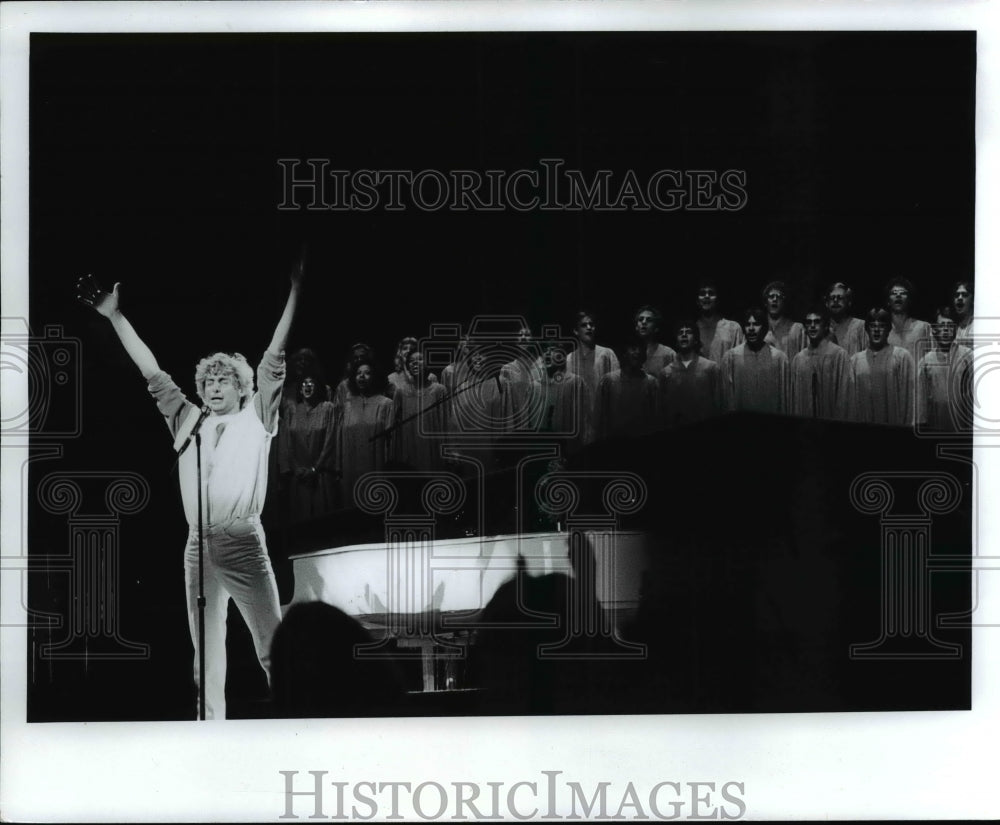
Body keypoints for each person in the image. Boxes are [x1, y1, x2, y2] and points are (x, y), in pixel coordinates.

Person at [75, 252, 304, 721]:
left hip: (242, 542)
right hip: (197, 546)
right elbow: (152, 373)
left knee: (272, 646)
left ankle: (295, 723)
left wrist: (296, 290)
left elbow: (274, 360)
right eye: (209, 380)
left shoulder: (257, 418)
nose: (215, 385)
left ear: (242, 388)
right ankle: (209, 733)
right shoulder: (189, 421)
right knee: (207, 658)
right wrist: (115, 317)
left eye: (225, 380)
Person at [278, 370, 338, 523]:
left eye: (311, 383)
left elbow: (330, 440)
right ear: (299, 389)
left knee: (322, 521)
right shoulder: (292, 410)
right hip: (299, 477)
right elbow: (287, 443)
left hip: (320, 475)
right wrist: (296, 468)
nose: (308, 386)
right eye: (304, 384)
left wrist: (316, 468)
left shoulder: (328, 408)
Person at [337, 355, 393, 508]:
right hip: (351, 467)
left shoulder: (386, 404)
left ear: (375, 377)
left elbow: (391, 442)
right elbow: (339, 440)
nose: (361, 376)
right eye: (358, 373)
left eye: (367, 373)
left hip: (375, 467)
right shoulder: (346, 405)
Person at [847, 308, 914, 426]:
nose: (876, 330)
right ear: (867, 329)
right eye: (872, 326)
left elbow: (909, 398)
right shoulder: (855, 361)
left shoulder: (901, 357)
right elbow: (851, 402)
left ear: (888, 329)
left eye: (882, 326)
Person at [719, 307, 790, 414]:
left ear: (764, 328)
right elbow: (727, 400)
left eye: (756, 324)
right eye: (748, 325)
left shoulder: (779, 359)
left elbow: (784, 400)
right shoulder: (731, 358)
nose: (751, 328)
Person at [790, 306, 853, 420]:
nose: (812, 326)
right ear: (804, 328)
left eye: (817, 322)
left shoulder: (839, 355)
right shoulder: (798, 359)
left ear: (826, 326)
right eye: (809, 322)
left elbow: (845, 396)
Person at [917, 306, 973, 432]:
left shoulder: (968, 356)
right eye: (942, 326)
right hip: (935, 426)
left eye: (950, 325)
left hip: (962, 426)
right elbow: (921, 400)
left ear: (956, 329)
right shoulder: (925, 362)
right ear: (935, 330)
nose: (946, 330)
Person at [391, 348, 449, 470]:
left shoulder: (439, 390)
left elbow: (447, 423)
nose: (415, 363)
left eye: (420, 359)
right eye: (411, 361)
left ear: (428, 363)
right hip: (409, 449)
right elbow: (395, 426)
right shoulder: (400, 392)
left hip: (433, 449)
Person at [593, 337, 659, 440]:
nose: (637, 352)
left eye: (640, 349)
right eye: (633, 348)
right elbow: (599, 419)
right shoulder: (608, 381)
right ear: (624, 353)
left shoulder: (651, 383)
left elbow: (656, 419)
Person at [659, 319, 720, 426]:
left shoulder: (710, 368)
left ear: (696, 339)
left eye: (688, 332)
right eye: (680, 333)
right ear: (676, 340)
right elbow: (662, 410)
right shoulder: (666, 373)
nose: (684, 335)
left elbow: (719, 403)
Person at [500, 324, 545, 432]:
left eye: (527, 335)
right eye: (520, 335)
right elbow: (507, 409)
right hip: (518, 430)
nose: (524, 337)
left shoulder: (543, 366)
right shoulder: (508, 370)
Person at [565, 310, 619, 397]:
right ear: (576, 331)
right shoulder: (569, 359)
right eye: (584, 325)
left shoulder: (607, 354)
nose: (589, 327)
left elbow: (617, 384)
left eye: (591, 324)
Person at [885, 277, 933, 365]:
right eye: (893, 293)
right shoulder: (883, 332)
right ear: (888, 301)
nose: (898, 295)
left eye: (903, 293)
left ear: (909, 300)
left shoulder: (923, 328)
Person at [695, 279, 744, 363]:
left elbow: (739, 363)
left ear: (717, 299)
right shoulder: (691, 329)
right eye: (702, 293)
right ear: (697, 301)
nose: (707, 296)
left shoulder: (733, 328)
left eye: (711, 293)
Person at [761, 280, 805, 361]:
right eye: (771, 296)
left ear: (784, 302)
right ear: (765, 302)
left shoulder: (797, 329)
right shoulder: (758, 329)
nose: (775, 299)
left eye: (779, 297)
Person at [825, 281, 868, 357]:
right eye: (832, 298)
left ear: (848, 302)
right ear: (827, 303)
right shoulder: (821, 328)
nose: (835, 301)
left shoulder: (861, 326)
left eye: (840, 298)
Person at [633, 305, 676, 376]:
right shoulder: (630, 354)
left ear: (656, 328)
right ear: (636, 327)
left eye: (649, 320)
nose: (644, 322)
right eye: (640, 319)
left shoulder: (668, 354)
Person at [952, 280, 975, 347]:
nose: (960, 298)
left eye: (965, 295)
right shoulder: (958, 325)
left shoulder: (977, 324)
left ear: (972, 299)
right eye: (956, 295)